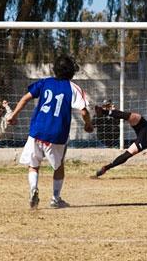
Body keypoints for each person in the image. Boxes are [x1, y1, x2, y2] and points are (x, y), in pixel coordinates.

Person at [7, 54, 94, 209]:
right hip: (56, 133)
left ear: (55, 69)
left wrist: (14, 115)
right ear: (72, 71)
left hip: (37, 130)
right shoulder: (73, 88)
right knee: (58, 166)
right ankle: (55, 199)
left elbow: (26, 98)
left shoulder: (45, 82)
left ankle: (33, 189)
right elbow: (84, 111)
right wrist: (88, 124)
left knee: (33, 165)